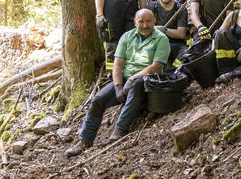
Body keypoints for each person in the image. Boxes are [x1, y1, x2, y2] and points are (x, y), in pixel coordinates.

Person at [65, 9, 170, 158]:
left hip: (148, 81)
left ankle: (120, 129)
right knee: (98, 100)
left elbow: (155, 67)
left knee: (137, 84)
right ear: (135, 22)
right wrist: (118, 87)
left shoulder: (161, 39)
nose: (145, 25)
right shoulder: (127, 37)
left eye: (148, 21)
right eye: (141, 21)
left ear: (154, 21)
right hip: (125, 80)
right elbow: (118, 65)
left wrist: (132, 79)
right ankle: (85, 140)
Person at [147, 0, 188, 69]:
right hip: (156, 43)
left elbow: (181, 34)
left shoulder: (180, 9)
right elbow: (145, 29)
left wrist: (164, 30)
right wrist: (155, 29)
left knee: (186, 53)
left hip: (175, 44)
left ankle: (172, 72)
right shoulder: (151, 7)